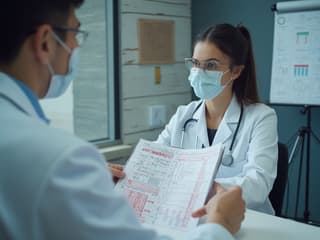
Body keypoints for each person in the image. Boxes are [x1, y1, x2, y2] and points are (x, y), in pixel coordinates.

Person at [0, 1, 245, 239]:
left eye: (211, 66)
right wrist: (220, 224)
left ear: (236, 71)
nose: (76, 44)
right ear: (45, 43)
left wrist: (86, 180)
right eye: (75, 32)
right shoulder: (63, 160)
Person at [110, 23, 278, 215]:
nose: (199, 72)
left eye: (211, 65)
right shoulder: (184, 115)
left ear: (236, 71)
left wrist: (197, 187)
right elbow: (154, 163)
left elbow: (259, 184)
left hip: (248, 218)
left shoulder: (261, 117)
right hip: (191, 214)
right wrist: (125, 174)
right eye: (196, 63)